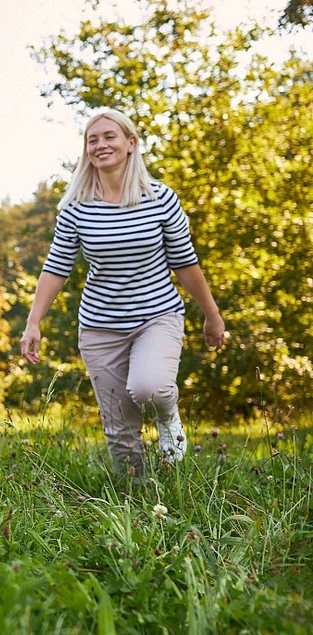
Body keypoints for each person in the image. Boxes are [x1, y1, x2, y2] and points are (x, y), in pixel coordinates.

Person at [20, 108, 225, 479]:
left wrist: (212, 315)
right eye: (92, 139)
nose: (101, 145)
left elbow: (186, 263)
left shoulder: (161, 198)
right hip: (100, 327)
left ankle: (167, 417)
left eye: (109, 136)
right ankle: (140, 497)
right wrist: (33, 322)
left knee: (150, 388)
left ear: (130, 143)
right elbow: (56, 268)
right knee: (120, 428)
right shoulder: (76, 208)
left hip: (157, 316)